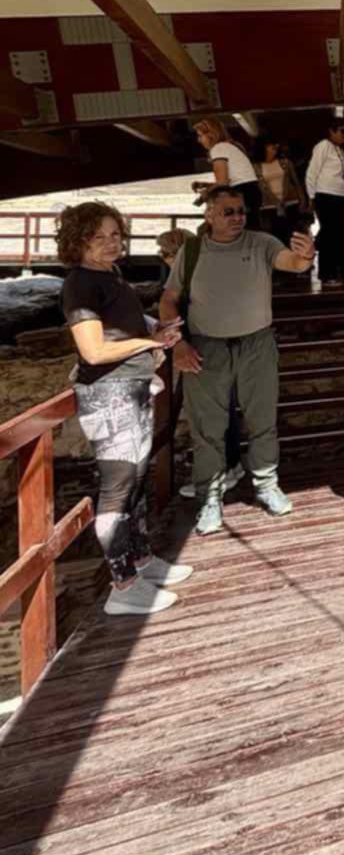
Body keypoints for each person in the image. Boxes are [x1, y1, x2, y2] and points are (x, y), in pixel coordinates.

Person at [160, 185, 315, 535]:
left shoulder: (261, 243)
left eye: (241, 211)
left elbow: (292, 263)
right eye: (228, 211)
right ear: (209, 215)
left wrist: (305, 256)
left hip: (257, 344)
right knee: (207, 428)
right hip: (205, 347)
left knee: (263, 420)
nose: (237, 217)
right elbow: (169, 299)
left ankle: (267, 485)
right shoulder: (192, 250)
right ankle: (210, 498)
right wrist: (178, 343)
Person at [59, 202, 189, 616]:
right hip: (109, 394)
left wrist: (156, 329)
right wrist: (151, 343)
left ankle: (142, 560)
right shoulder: (80, 285)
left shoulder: (109, 274)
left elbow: (122, 325)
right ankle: (123, 587)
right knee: (117, 488)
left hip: (130, 387)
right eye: (98, 237)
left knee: (134, 481)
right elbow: (93, 351)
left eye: (115, 234)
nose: (111, 243)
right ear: (77, 242)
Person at [306, 117, 344, 286]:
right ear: (331, 131)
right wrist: (311, 197)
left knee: (339, 235)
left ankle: (340, 271)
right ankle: (327, 274)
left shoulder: (339, 150)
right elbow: (312, 172)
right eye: (342, 131)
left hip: (339, 196)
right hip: (325, 195)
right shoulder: (323, 146)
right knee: (329, 235)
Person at [192, 118, 261, 229]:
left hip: (243, 193)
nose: (199, 140)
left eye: (200, 136)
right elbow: (229, 180)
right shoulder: (228, 146)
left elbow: (222, 183)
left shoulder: (218, 148)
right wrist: (205, 185)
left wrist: (206, 194)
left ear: (211, 135)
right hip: (250, 191)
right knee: (250, 231)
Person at [258, 139, 307, 243]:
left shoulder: (285, 162)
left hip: (290, 202)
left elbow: (296, 182)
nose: (275, 147)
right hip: (270, 205)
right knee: (277, 236)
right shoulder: (256, 166)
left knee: (294, 234)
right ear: (264, 147)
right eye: (271, 145)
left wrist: (302, 199)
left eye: (276, 146)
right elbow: (260, 187)